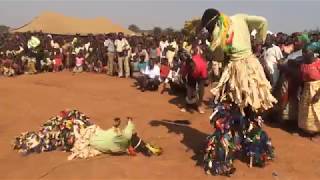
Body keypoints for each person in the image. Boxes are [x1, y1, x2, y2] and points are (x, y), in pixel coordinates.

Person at [201, 8, 277, 115]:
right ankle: (252, 128)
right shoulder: (239, 17)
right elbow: (263, 21)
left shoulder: (217, 33)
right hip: (252, 65)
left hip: (235, 71)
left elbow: (219, 57)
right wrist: (259, 42)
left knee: (232, 103)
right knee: (252, 103)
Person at [298, 42, 320, 141]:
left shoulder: (318, 63)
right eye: (303, 53)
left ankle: (318, 133)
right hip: (306, 88)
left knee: (317, 112)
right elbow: (302, 78)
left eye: (305, 53)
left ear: (311, 53)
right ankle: (307, 130)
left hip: (317, 88)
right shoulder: (303, 64)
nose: (303, 55)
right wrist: (300, 90)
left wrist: (318, 94)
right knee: (306, 111)